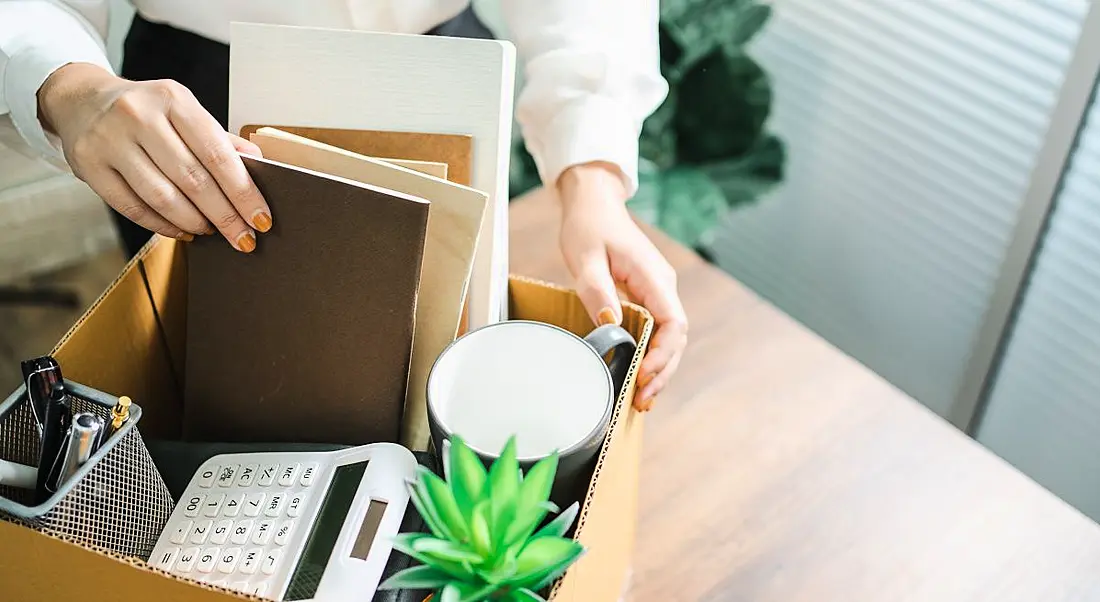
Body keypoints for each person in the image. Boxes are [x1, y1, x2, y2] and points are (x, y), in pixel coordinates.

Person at [0, 0, 687, 410]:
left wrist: (590, 171)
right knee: (240, 393)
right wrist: (70, 86)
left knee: (448, 366)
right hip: (200, 119)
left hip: (448, 84)